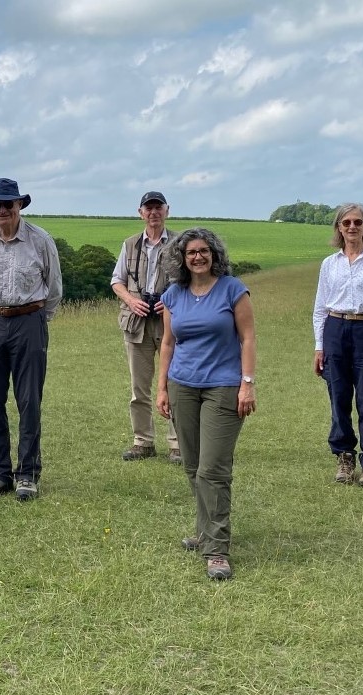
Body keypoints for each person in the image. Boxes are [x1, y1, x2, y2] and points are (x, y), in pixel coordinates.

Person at [156, 228, 256, 581]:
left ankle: (216, 550)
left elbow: (247, 338)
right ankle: (204, 531)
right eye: (190, 253)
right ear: (181, 259)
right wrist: (162, 388)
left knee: (213, 469)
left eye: (203, 251)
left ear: (214, 254)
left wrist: (247, 385)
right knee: (192, 465)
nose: (197, 257)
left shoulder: (233, 289)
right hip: (183, 386)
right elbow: (168, 344)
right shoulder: (174, 294)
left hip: (224, 387)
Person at [0, 178, 62, 501]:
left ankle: (27, 474)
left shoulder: (40, 240)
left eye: (8, 204)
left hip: (29, 321)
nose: (2, 210)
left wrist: (35, 319)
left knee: (29, 401)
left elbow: (54, 289)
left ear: (20, 205)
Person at [312, 203, 363, 488]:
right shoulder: (329, 264)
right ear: (338, 227)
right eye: (346, 222)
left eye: (358, 223)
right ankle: (344, 455)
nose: (352, 227)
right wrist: (319, 346)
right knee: (338, 398)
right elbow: (320, 308)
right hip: (335, 328)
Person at [110, 191, 182, 464]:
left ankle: (177, 444)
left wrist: (172, 300)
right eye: (148, 208)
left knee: (174, 384)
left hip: (170, 323)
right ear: (140, 212)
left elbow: (190, 279)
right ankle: (143, 441)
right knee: (138, 387)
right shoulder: (129, 245)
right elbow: (117, 281)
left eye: (158, 207)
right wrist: (132, 300)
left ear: (167, 211)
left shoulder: (180, 243)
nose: (153, 213)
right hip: (136, 322)